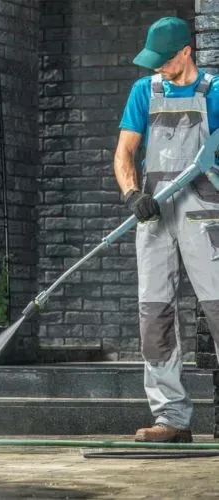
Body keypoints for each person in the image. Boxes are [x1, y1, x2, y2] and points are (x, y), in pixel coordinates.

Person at [114, 16, 219, 442]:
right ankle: (171, 419)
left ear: (185, 52)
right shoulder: (144, 91)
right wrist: (131, 196)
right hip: (154, 215)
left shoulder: (214, 92)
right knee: (153, 314)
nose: (158, 68)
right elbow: (124, 152)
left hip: (205, 214)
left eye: (164, 60)